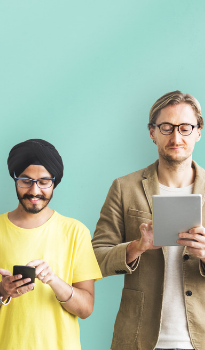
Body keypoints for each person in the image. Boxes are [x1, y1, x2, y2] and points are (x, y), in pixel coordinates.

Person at [92, 90, 205, 350]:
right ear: (152, 132)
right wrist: (136, 247)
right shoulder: (124, 188)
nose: (176, 137)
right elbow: (95, 258)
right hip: (137, 339)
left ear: (198, 131)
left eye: (185, 127)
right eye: (166, 127)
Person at [0, 139, 102, 350]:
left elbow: (86, 309)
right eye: (26, 181)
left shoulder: (76, 232)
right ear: (15, 179)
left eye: (44, 182)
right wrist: (2, 290)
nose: (35, 191)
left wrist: (55, 281)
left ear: (54, 182)